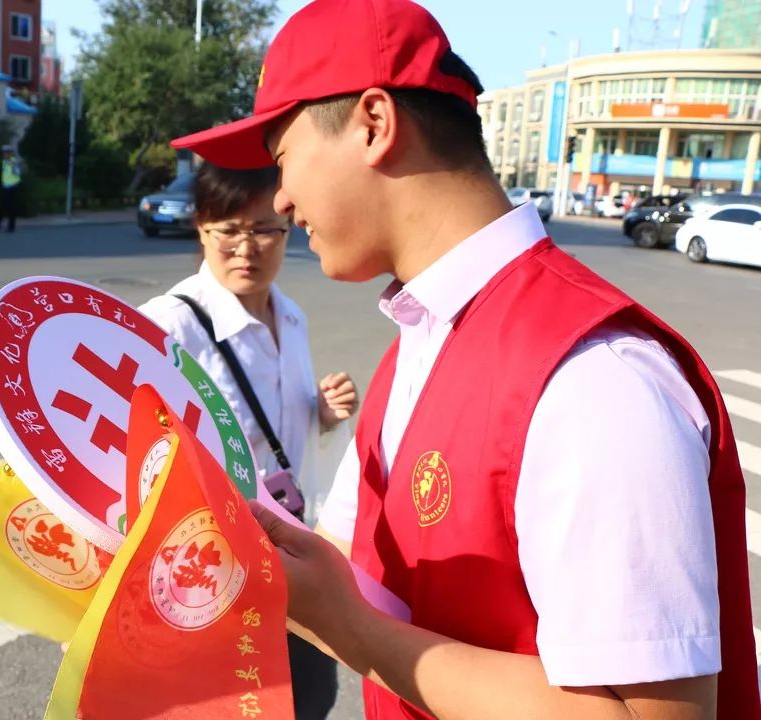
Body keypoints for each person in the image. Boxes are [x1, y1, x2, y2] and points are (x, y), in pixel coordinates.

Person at [170, 1, 759, 719]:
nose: (283, 199)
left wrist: (350, 628)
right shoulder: (415, 346)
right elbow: (337, 567)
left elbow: (651, 716)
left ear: (373, 124)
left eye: (282, 155)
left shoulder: (593, 378)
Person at [139, 162, 358, 720]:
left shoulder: (294, 316)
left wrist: (323, 416)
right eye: (227, 230)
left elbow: (282, 437)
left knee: (309, 698)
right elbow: (131, 456)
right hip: (214, 572)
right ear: (201, 230)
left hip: (291, 552)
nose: (246, 247)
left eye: (264, 228)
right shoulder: (166, 328)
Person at [0, 144, 22, 233]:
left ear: (10, 153)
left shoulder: (14, 162)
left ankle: (11, 227)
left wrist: (14, 167)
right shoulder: (5, 162)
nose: (5, 154)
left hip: (12, 187)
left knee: (11, 208)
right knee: (0, 206)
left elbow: (18, 173)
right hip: (5, 186)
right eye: (4, 153)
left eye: (6, 153)